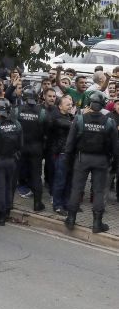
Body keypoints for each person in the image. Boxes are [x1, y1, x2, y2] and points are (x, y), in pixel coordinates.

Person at [64, 92, 119, 233]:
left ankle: (71, 219)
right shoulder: (110, 122)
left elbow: (69, 144)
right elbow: (115, 147)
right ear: (103, 105)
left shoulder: (79, 119)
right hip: (101, 160)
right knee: (99, 191)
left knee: (77, 189)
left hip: (82, 159)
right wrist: (115, 165)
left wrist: (68, 162)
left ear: (89, 104)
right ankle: (97, 223)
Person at [16, 88, 47, 211]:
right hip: (36, 147)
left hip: (21, 146)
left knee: (16, 174)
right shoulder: (42, 112)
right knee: (36, 176)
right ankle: (37, 204)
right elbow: (46, 130)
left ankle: (9, 203)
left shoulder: (17, 110)